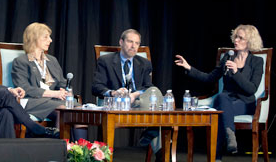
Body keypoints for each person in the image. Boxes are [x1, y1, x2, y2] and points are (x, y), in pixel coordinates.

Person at [175, 24, 263, 161]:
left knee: (221, 112)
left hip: (246, 102)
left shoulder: (257, 62)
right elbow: (210, 78)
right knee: (222, 101)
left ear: (250, 41)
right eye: (236, 37)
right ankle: (230, 135)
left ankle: (216, 158)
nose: (236, 40)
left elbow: (251, 89)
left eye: (241, 38)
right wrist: (189, 68)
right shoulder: (228, 57)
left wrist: (235, 72)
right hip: (226, 100)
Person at [91, 29, 163, 161]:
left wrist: (135, 95)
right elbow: (96, 87)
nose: (134, 46)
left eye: (137, 43)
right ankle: (154, 137)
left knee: (155, 91)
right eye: (130, 41)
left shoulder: (144, 63)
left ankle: (160, 152)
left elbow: (148, 86)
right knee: (157, 110)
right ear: (121, 42)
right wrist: (113, 92)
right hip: (116, 103)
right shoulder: (105, 61)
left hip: (138, 102)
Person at [11, 22, 87, 140]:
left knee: (80, 111)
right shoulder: (21, 61)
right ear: (34, 38)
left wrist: (66, 91)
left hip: (54, 101)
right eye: (45, 37)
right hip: (32, 101)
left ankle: (82, 152)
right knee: (63, 111)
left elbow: (62, 82)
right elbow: (24, 88)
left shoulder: (52, 60)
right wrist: (54, 93)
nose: (50, 40)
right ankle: (59, 153)